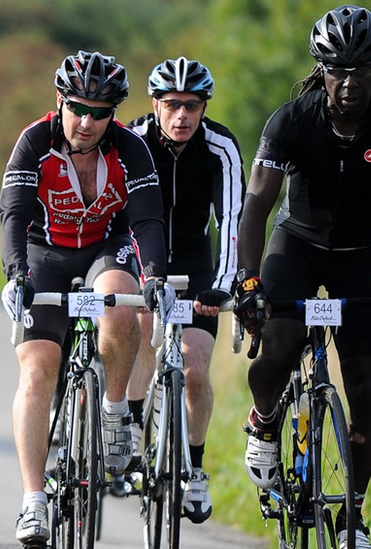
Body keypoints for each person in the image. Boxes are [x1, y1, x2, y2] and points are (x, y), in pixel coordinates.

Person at [234, 6, 371, 548]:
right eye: (337, 71)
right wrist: (249, 281)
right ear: (321, 69)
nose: (348, 84)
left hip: (359, 255)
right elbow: (256, 206)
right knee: (275, 345)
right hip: (295, 245)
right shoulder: (291, 120)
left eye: (360, 71)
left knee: (367, 386)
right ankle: (265, 421)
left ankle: (351, 517)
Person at [0, 50, 173, 545]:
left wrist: (156, 274)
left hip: (104, 247)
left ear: (113, 113)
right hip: (43, 251)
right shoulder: (35, 141)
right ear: (60, 102)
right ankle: (33, 502)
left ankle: (115, 413)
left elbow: (146, 220)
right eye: (78, 107)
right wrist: (16, 275)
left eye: (101, 112)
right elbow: (12, 213)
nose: (88, 121)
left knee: (123, 298)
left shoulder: (131, 149)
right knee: (36, 371)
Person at [124, 57, 245, 523]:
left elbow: (232, 219)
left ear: (204, 107)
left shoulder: (221, 147)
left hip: (197, 264)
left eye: (192, 106)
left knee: (194, 370)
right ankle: (132, 429)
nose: (182, 116)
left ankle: (195, 471)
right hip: (140, 257)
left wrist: (221, 284)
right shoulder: (132, 139)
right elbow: (119, 212)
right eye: (172, 104)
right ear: (155, 103)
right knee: (140, 333)